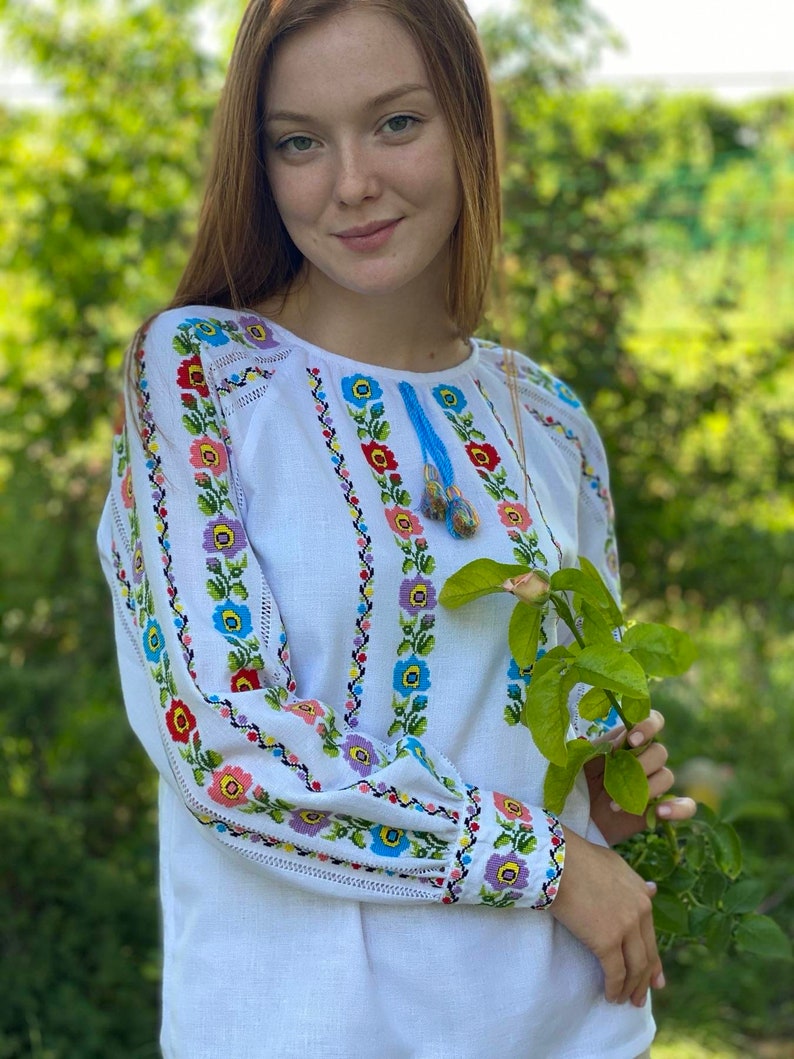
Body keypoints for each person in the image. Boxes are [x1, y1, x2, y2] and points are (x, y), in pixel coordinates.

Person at [97, 1, 696, 1056]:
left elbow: (558, 748)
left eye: (395, 123)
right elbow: (227, 746)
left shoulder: (548, 418)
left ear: (466, 125)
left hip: (566, 1028)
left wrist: (611, 799)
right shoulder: (201, 381)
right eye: (298, 142)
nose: (349, 183)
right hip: (305, 1029)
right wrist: (548, 864)